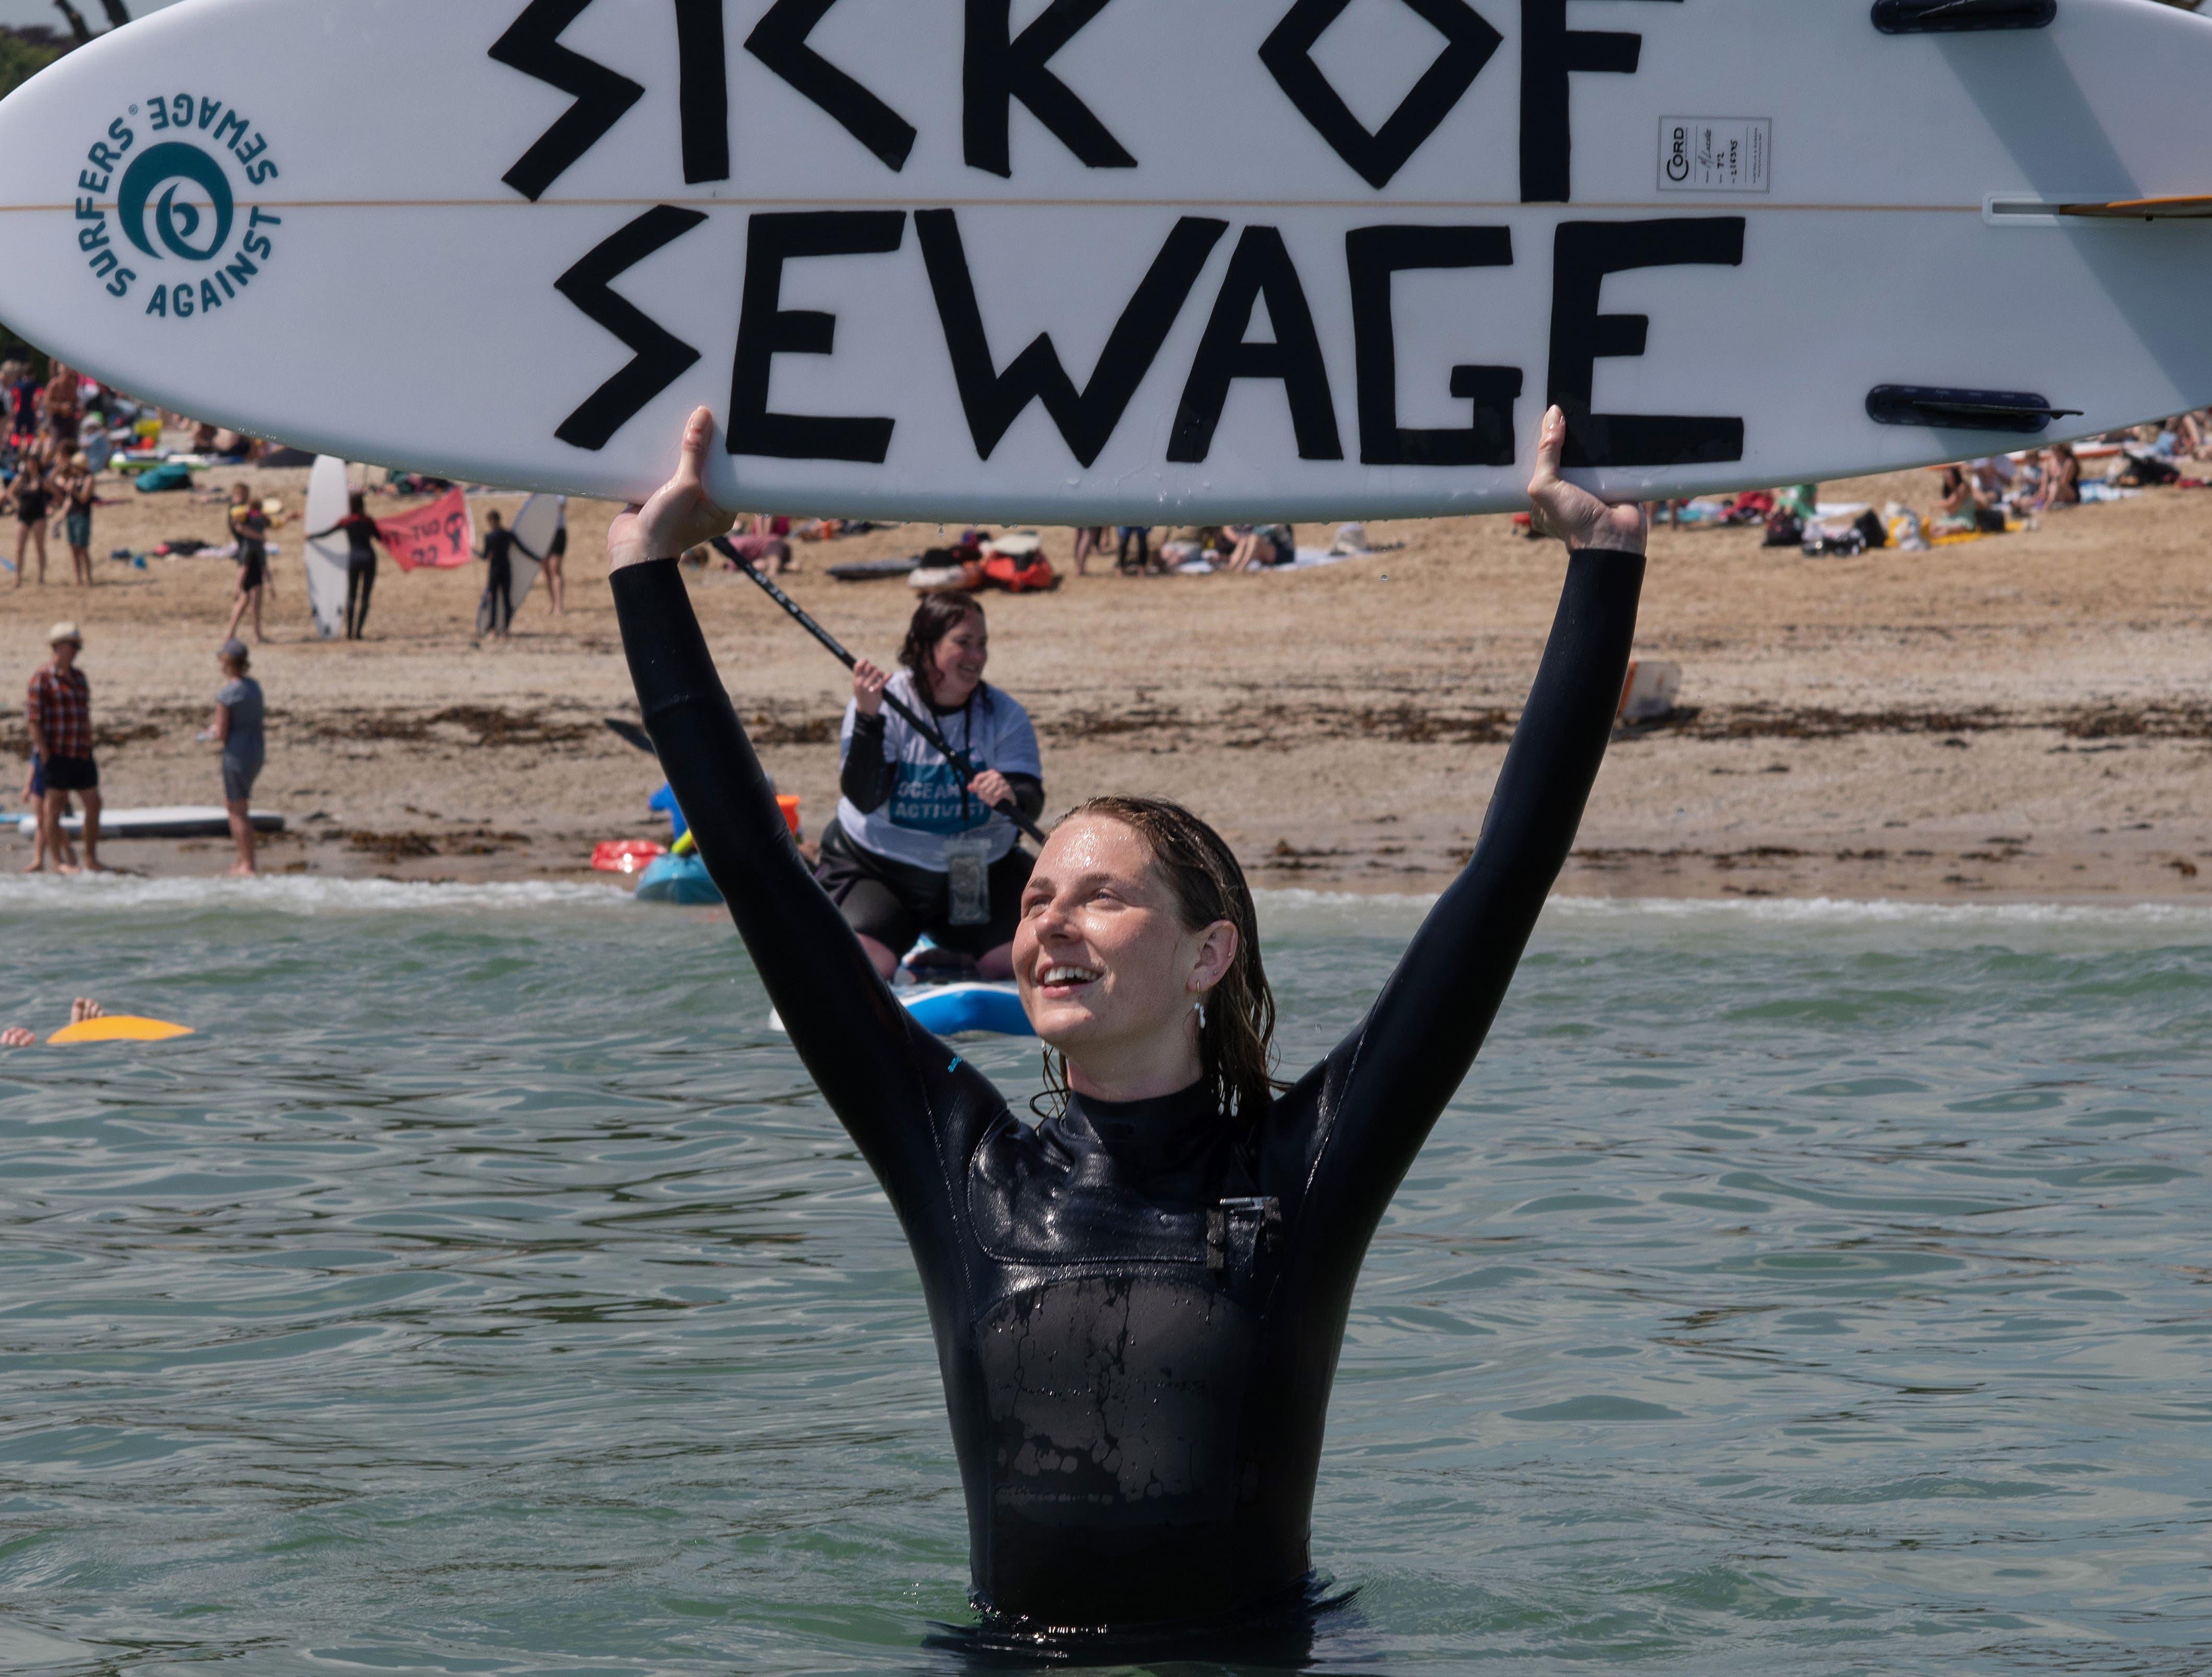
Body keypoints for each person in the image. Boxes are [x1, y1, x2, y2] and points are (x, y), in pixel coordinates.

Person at [606, 404, 1642, 1635]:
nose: (1050, 924)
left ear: (1210, 953)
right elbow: (769, 885)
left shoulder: (1302, 1166)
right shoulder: (965, 1168)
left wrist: (1603, 563)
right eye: (1040, 897)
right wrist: (648, 571)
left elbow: (1503, 878)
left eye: (1101, 897)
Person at [821, 588, 1045, 982]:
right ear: (925, 648)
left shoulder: (1005, 714)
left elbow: (1031, 798)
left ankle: (957, 960)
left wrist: (1012, 795)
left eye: (982, 644)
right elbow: (864, 797)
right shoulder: (878, 703)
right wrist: (869, 722)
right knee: (865, 968)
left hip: (978, 868)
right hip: (879, 868)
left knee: (1014, 961)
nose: (978, 657)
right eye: (964, 643)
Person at [24, 620, 104, 874]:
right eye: (73, 646)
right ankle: (57, 862)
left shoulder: (79, 678)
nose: (76, 651)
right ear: (59, 647)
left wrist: (89, 741)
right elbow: (34, 719)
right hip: (57, 752)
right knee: (54, 807)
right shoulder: (42, 678)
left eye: (77, 647)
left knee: (94, 803)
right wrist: (45, 752)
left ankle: (91, 858)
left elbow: (84, 714)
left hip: (80, 751)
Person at [205, 638, 264, 875]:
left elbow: (221, 734)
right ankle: (242, 859)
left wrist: (210, 733)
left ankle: (247, 864)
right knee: (241, 805)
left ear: (228, 663)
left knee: (236, 808)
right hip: (256, 751)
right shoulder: (254, 687)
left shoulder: (227, 694)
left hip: (237, 754)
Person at [332, 493, 383, 638]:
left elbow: (328, 532)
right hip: (369, 559)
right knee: (365, 597)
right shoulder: (368, 521)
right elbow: (380, 537)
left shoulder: (347, 522)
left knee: (352, 596)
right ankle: (359, 632)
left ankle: (349, 633)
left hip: (354, 559)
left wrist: (311, 536)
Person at [225, 484, 271, 644]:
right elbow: (240, 529)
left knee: (246, 599)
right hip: (250, 556)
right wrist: (260, 537)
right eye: (243, 494)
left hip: (248, 555)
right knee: (254, 598)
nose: (245, 497)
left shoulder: (240, 511)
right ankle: (256, 635)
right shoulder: (238, 511)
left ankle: (232, 634)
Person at [56, 445, 97, 585]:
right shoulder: (73, 480)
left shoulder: (89, 480)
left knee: (83, 549)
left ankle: (88, 578)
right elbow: (68, 500)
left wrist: (73, 490)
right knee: (73, 549)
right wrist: (61, 517)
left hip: (83, 516)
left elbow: (84, 499)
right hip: (72, 516)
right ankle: (78, 578)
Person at [10, 450, 52, 583]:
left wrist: (49, 506)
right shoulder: (21, 480)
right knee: (19, 548)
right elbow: (10, 493)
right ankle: (18, 576)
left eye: (34, 463)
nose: (31, 466)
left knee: (39, 548)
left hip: (38, 516)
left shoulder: (42, 481)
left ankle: (41, 576)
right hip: (23, 516)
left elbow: (56, 495)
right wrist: (16, 505)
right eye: (29, 463)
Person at [476, 506, 519, 637]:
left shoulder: (490, 537)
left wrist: (474, 551)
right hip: (506, 569)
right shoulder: (508, 534)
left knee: (494, 600)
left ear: (492, 520)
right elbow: (523, 548)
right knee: (507, 600)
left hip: (494, 571)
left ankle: (493, 630)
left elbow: (484, 556)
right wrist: (537, 558)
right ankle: (506, 629)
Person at [540, 505, 567, 615]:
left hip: (557, 531)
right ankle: (552, 603)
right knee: (546, 570)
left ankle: (558, 606)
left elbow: (562, 506)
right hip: (542, 531)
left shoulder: (559, 491)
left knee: (555, 568)